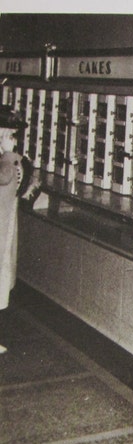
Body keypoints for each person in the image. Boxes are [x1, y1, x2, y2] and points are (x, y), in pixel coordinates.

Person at [0, 107, 37, 317]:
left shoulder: (8, 157)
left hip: (5, 225)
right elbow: (4, 177)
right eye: (8, 132)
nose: (11, 138)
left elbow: (20, 181)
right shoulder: (5, 158)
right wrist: (8, 154)